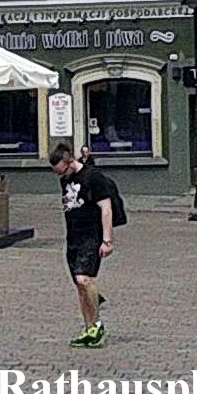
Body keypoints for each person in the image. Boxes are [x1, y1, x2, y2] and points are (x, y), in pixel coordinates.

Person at [52, 142, 115, 348]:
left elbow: (106, 208)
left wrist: (107, 240)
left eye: (63, 171)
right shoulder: (65, 178)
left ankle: (97, 324)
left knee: (84, 278)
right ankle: (88, 328)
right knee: (79, 286)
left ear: (70, 162)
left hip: (92, 235)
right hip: (73, 237)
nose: (61, 177)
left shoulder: (93, 177)